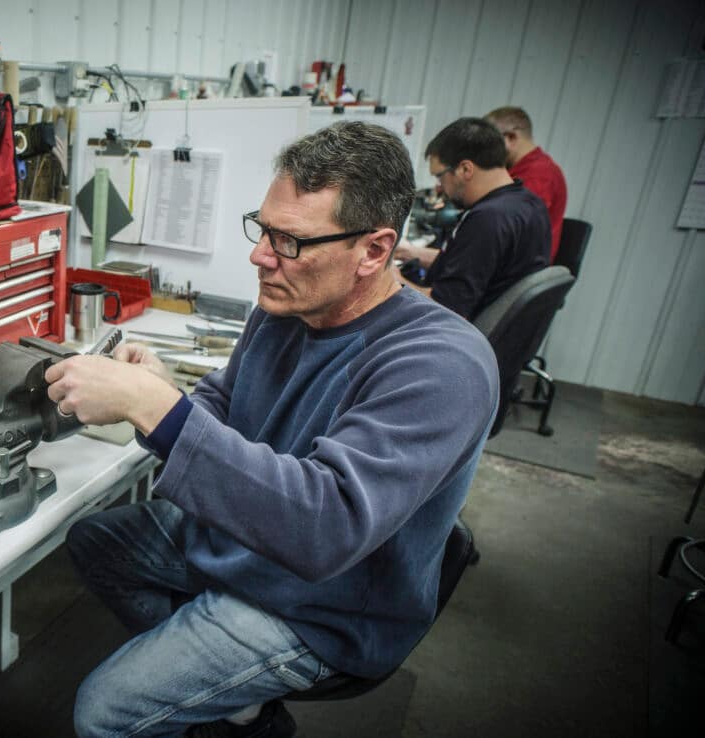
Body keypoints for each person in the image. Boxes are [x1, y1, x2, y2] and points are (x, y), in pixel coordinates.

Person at [45, 121, 498, 738]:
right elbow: (224, 403)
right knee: (97, 543)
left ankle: (225, 688)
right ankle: (235, 703)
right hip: (247, 546)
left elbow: (327, 526)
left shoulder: (441, 365)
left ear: (373, 249)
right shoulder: (287, 306)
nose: (261, 255)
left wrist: (154, 409)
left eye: (290, 241)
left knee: (105, 712)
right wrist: (162, 393)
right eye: (263, 229)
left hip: (325, 603)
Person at [394, 117, 550, 321]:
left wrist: (392, 281)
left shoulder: (488, 220)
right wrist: (409, 252)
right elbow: (471, 265)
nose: (440, 187)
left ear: (465, 169)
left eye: (440, 176)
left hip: (455, 332)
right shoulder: (527, 204)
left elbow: (444, 309)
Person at [486, 106, 567, 261]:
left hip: (518, 269)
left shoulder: (539, 174)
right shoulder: (518, 170)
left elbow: (508, 225)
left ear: (510, 137)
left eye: (490, 144)